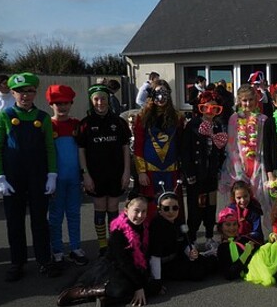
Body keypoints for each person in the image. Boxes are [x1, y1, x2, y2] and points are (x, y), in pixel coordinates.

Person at [0, 73, 58, 281]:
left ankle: (44, 260)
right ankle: (17, 262)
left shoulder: (43, 117)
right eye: (20, 91)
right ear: (12, 93)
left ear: (35, 92)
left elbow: (49, 148)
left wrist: (52, 174)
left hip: (38, 176)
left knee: (40, 220)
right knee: (14, 220)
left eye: (29, 91)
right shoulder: (5, 115)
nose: (25, 96)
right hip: (13, 176)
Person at [57, 196, 163, 307]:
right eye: (136, 210)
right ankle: (80, 292)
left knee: (154, 287)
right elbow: (123, 262)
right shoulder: (118, 232)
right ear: (127, 210)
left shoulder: (144, 227)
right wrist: (139, 286)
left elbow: (143, 254)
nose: (140, 215)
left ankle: (105, 299)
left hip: (132, 267)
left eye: (144, 211)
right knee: (125, 289)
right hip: (114, 267)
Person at [78, 84, 132, 255]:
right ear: (91, 101)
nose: (100, 102)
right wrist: (85, 175)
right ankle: (102, 245)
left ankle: (114, 242)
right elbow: (81, 151)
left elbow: (125, 149)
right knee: (100, 208)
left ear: (109, 100)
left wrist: (126, 172)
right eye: (96, 99)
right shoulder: (85, 124)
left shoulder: (119, 122)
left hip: (116, 173)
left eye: (103, 98)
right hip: (95, 175)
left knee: (114, 208)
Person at [46, 85, 87, 267]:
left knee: (73, 213)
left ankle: (75, 248)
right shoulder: (47, 126)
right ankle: (57, 250)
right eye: (57, 104)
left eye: (65, 103)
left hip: (74, 179)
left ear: (71, 104)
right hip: (56, 179)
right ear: (51, 105)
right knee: (55, 216)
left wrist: (84, 175)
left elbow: (82, 152)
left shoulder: (76, 125)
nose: (62, 107)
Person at [181, 89, 227, 250]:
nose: (210, 112)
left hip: (211, 175)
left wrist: (220, 169)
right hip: (197, 176)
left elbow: (221, 151)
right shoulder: (193, 125)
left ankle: (209, 236)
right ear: (200, 108)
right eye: (206, 108)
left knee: (211, 207)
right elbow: (185, 152)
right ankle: (192, 238)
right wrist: (189, 173)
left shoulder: (219, 125)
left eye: (214, 108)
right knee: (196, 208)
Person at [134, 80, 184, 220]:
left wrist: (182, 170)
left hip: (171, 171)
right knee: (151, 209)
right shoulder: (142, 117)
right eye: (157, 93)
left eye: (164, 93)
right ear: (151, 95)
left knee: (172, 208)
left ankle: (175, 239)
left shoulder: (178, 117)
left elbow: (180, 145)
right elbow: (138, 145)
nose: (161, 98)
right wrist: (141, 171)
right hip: (150, 173)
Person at [220, 84, 271, 219]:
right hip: (239, 165)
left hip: (257, 164)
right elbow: (231, 145)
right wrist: (238, 168)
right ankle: (238, 232)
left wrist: (259, 168)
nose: (247, 103)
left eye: (250, 100)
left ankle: (256, 232)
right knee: (239, 200)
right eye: (244, 100)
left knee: (256, 202)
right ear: (239, 101)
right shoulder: (234, 118)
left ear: (255, 100)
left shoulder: (263, 119)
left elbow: (265, 145)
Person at [148, 192, 216, 286]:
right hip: (164, 264)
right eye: (166, 208)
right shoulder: (156, 226)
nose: (171, 211)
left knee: (209, 262)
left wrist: (191, 251)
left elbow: (186, 241)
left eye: (175, 208)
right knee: (198, 273)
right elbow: (155, 256)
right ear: (159, 209)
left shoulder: (179, 222)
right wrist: (157, 281)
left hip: (178, 257)